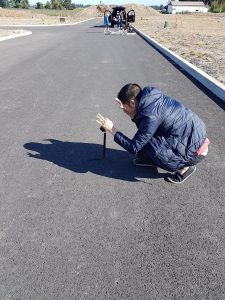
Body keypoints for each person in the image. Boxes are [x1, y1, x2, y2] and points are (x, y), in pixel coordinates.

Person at [96, 84, 210, 184]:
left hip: (196, 152)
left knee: (143, 144)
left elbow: (133, 147)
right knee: (144, 139)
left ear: (132, 102)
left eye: (125, 107)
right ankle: (150, 159)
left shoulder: (150, 116)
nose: (124, 109)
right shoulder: (152, 99)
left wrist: (112, 129)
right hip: (195, 136)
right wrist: (129, 111)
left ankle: (185, 168)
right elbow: (143, 126)